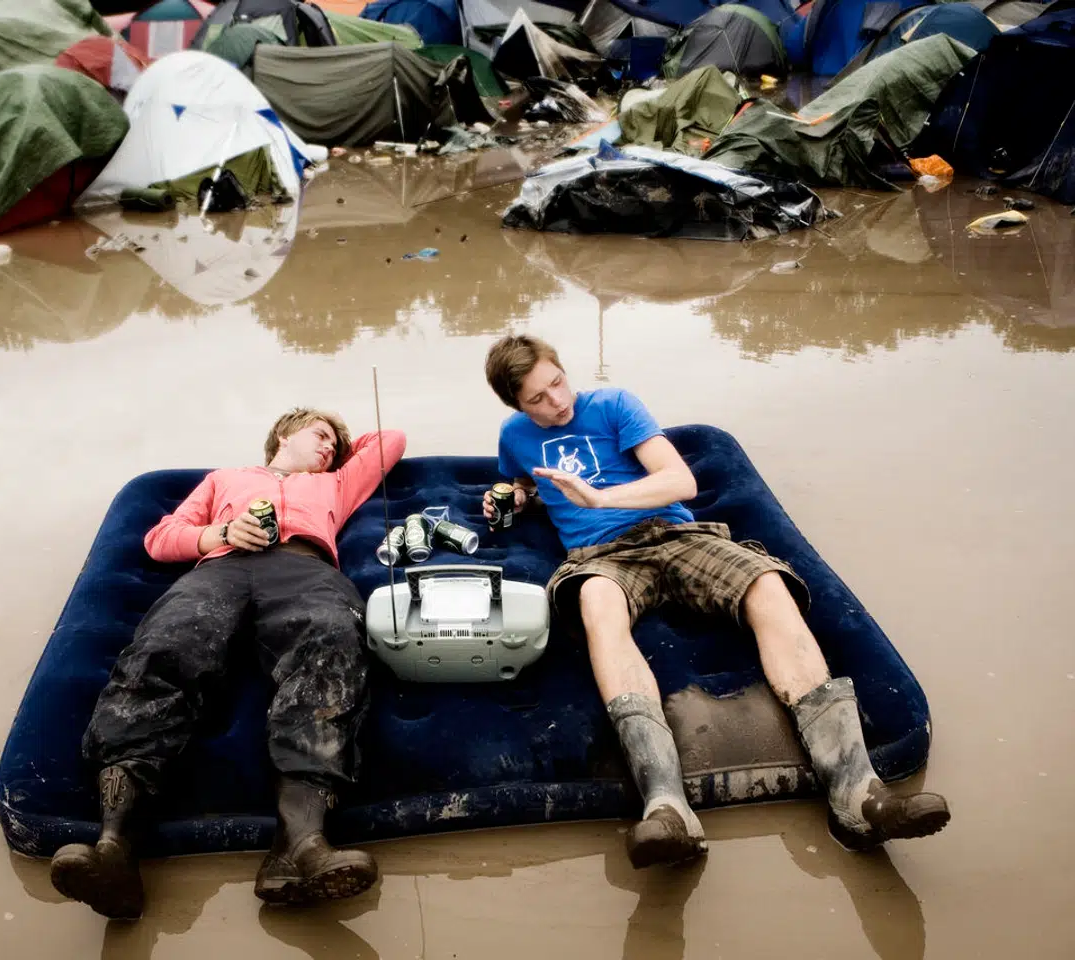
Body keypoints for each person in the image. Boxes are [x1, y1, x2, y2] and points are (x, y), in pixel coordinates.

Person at [482, 335, 949, 867]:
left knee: (767, 584)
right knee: (596, 607)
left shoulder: (614, 405)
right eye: (537, 399)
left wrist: (601, 497)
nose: (557, 401)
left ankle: (857, 795)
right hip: (600, 556)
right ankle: (666, 807)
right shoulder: (514, 436)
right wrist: (513, 494)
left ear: (564, 370)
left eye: (558, 383)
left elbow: (680, 480)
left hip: (678, 534)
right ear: (516, 405)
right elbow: (515, 479)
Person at [50, 408, 406, 918]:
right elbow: (163, 536)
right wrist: (222, 533)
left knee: (332, 648)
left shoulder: (336, 483)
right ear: (284, 433)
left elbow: (390, 439)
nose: (330, 447)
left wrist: (333, 453)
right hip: (220, 570)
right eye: (320, 435)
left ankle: (300, 845)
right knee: (163, 649)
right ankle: (115, 845)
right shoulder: (225, 479)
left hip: (305, 571)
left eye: (336, 444)